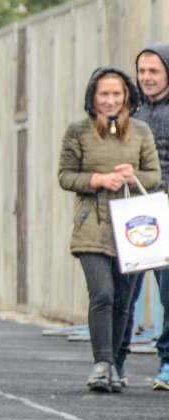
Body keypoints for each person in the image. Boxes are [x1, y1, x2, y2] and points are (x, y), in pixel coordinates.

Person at [58, 67, 160, 393]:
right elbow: (65, 175)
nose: (110, 100)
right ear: (93, 97)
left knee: (123, 302)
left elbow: (154, 175)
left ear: (127, 96)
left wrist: (133, 176)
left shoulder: (141, 131)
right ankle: (101, 364)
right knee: (102, 294)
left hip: (133, 229)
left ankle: (115, 364)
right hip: (92, 226)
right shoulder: (77, 131)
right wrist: (97, 179)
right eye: (104, 94)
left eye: (117, 94)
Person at [126, 43, 169, 390]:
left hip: (165, 209)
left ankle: (167, 362)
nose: (146, 77)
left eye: (154, 71)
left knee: (168, 292)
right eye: (142, 71)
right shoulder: (131, 110)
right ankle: (114, 362)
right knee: (124, 293)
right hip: (134, 212)